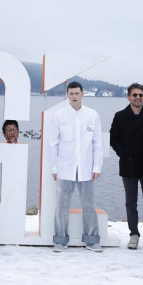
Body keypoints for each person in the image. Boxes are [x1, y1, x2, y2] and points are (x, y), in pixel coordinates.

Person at [49, 81, 104, 252]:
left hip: (86, 167)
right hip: (65, 167)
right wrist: (54, 168)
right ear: (67, 95)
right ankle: (60, 240)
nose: (74, 97)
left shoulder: (92, 115)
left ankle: (92, 240)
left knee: (89, 204)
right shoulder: (58, 116)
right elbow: (53, 144)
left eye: (77, 93)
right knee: (61, 205)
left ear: (82, 94)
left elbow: (97, 143)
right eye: (71, 93)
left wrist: (97, 167)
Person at [110, 83, 143, 249]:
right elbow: (113, 138)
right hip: (128, 165)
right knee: (131, 203)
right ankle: (134, 234)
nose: (138, 98)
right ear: (128, 97)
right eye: (134, 95)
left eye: (140, 95)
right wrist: (124, 154)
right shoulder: (120, 116)